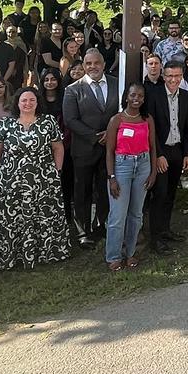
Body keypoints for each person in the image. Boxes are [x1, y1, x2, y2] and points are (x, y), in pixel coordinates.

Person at [0, 86, 72, 269]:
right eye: (24, 100)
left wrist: (56, 171)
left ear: (37, 102)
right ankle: (12, 255)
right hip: (10, 181)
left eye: (32, 100)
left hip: (43, 180)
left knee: (43, 217)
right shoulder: (5, 124)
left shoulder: (48, 122)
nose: (28, 103)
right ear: (17, 103)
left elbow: (58, 148)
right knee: (13, 219)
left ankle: (47, 252)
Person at [62, 49, 116, 247]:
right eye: (88, 63)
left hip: (109, 149)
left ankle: (101, 225)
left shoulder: (116, 83)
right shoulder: (73, 89)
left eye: (96, 63)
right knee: (82, 191)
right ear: (83, 66)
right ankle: (83, 231)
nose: (93, 67)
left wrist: (110, 134)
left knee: (104, 189)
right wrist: (95, 137)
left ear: (103, 63)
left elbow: (121, 111)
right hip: (84, 149)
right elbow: (70, 120)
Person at [104, 83, 158, 270]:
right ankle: (113, 256)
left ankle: (131, 253)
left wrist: (152, 172)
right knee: (118, 215)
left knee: (136, 215)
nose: (137, 99)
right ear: (126, 97)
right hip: (121, 167)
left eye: (140, 96)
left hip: (143, 166)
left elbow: (152, 147)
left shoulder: (147, 119)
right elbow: (109, 151)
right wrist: (112, 177)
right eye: (133, 95)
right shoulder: (116, 120)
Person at [145, 60, 188, 252]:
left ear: (182, 77)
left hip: (178, 150)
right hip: (160, 151)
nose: (173, 80)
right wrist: (158, 155)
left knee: (171, 194)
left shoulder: (186, 97)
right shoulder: (153, 95)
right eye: (170, 76)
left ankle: (165, 230)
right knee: (160, 194)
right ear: (163, 76)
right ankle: (155, 238)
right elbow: (151, 128)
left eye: (177, 76)